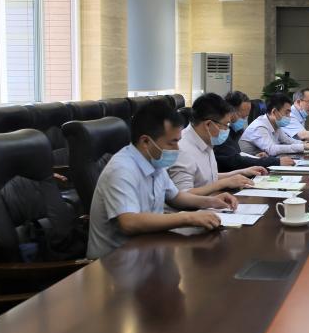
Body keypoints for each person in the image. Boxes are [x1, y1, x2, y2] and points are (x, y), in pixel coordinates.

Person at [88, 101, 237, 259]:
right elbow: (129, 222)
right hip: (115, 261)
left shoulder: (154, 161)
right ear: (146, 142)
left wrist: (211, 202)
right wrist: (188, 218)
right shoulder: (121, 169)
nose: (177, 149)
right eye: (172, 142)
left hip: (149, 248)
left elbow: (176, 197)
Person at [168, 93, 268, 196]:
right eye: (226, 125)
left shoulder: (205, 139)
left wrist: (242, 172)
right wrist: (223, 183)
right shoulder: (183, 149)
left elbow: (209, 178)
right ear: (208, 124)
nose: (227, 129)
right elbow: (184, 194)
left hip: (209, 201)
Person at [214, 91, 292, 171]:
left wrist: (254, 156)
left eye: (246, 117)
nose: (244, 120)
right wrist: (275, 161)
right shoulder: (220, 134)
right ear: (229, 112)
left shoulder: (236, 131)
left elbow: (237, 156)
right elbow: (235, 161)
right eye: (241, 116)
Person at [240, 92, 309, 156]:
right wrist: (303, 147)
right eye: (287, 112)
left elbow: (288, 140)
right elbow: (272, 149)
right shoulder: (259, 127)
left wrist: (306, 144)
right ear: (274, 112)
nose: (289, 116)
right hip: (247, 168)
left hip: (261, 163)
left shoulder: (275, 125)